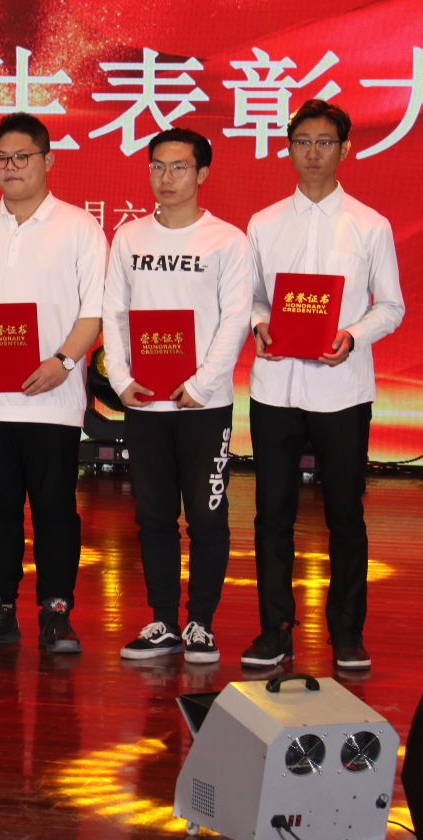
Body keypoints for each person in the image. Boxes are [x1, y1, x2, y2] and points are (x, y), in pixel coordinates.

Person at [243, 99, 404, 671]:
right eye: (302, 142)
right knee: (272, 514)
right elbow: (252, 298)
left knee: (345, 514)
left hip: (343, 390)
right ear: (288, 149)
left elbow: (391, 306)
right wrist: (259, 324)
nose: (312, 153)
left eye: (324, 143)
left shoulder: (369, 224)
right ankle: (274, 631)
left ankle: (348, 633)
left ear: (345, 149)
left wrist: (352, 336)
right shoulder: (263, 223)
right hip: (275, 387)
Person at [0, 113, 105, 653]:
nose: (10, 167)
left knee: (55, 509)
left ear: (47, 160)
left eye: (22, 157)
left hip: (53, 399)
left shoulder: (79, 227)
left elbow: (94, 310)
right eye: (1, 158)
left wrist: (63, 361)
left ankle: (57, 612)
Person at [101, 127, 250, 664]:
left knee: (207, 518)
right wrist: (121, 381)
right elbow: (114, 313)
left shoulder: (227, 240)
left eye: (179, 167)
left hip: (203, 407)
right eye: (157, 166)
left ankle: (200, 624)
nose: (166, 178)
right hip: (146, 405)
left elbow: (236, 318)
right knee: (154, 517)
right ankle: (163, 620)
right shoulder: (129, 238)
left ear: (202, 173)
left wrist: (202, 383)